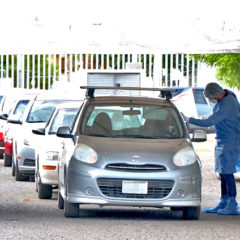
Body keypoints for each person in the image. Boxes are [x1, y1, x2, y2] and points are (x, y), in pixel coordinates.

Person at [185, 82, 240, 215]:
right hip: (223, 140)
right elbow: (213, 117)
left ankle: (232, 203)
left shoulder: (228, 104)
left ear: (214, 95)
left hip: (230, 141)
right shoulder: (224, 99)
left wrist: (189, 119)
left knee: (227, 172)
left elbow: (210, 122)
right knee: (222, 171)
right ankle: (224, 200)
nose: (211, 100)